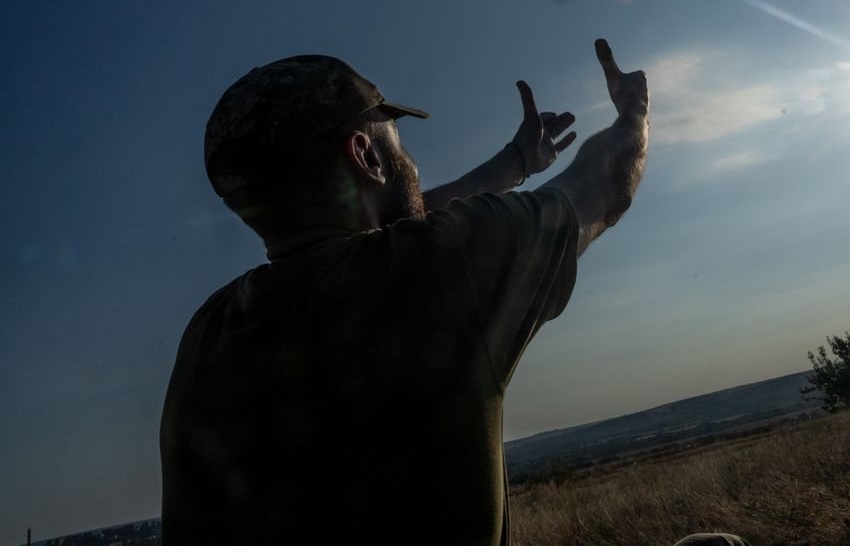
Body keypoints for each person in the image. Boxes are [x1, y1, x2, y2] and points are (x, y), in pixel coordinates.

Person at [160, 40, 745, 546]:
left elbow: (394, 232)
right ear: (364, 155)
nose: (408, 156)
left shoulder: (210, 331)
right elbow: (606, 184)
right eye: (394, 138)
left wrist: (515, 163)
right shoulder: (433, 277)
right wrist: (635, 114)